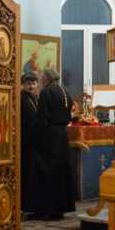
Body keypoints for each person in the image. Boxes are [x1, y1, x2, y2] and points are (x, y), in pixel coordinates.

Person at [32, 67, 76, 220]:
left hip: (49, 137)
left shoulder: (46, 92)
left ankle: (47, 209)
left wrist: (36, 136)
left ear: (45, 79)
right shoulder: (64, 92)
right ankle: (59, 209)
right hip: (62, 136)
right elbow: (69, 116)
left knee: (47, 172)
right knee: (60, 172)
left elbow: (42, 117)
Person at [20, 72, 44, 216]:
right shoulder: (20, 98)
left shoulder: (35, 98)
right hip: (25, 141)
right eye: (29, 84)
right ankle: (24, 204)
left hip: (35, 141)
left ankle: (32, 204)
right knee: (26, 172)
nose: (32, 86)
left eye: (34, 83)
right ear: (23, 85)